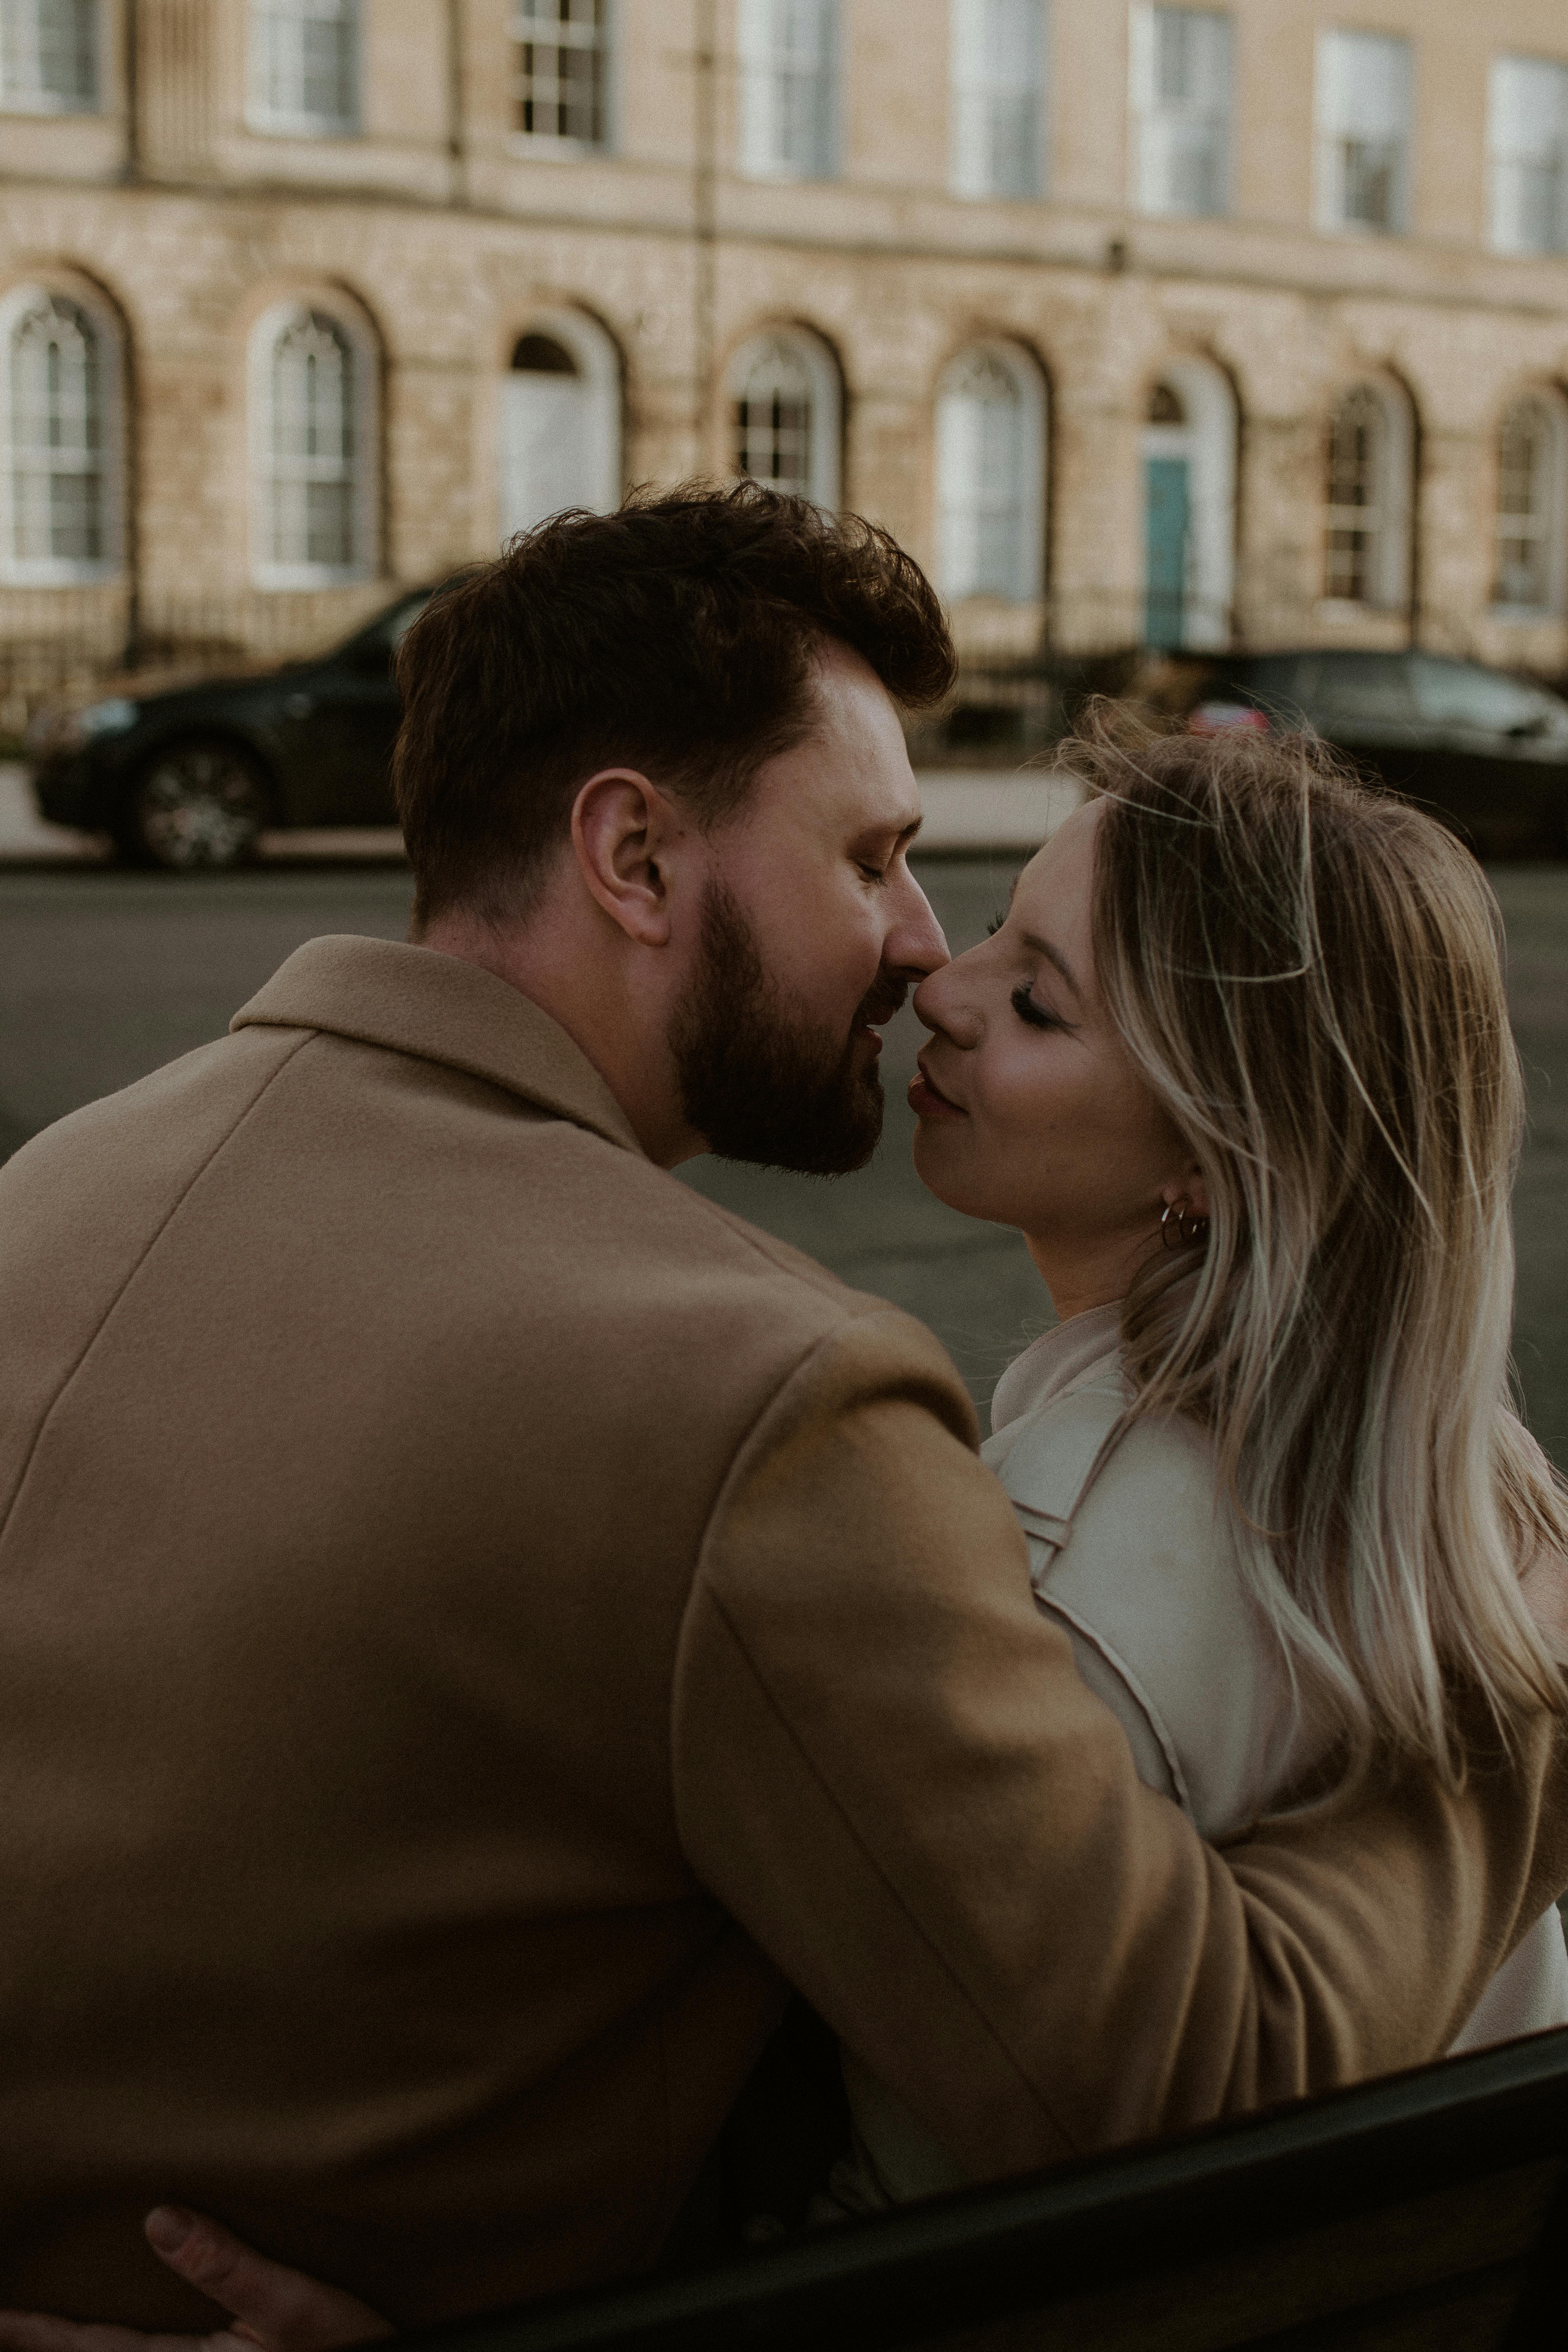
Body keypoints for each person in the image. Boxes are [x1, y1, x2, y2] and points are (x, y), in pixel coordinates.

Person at [0, 489, 1563, 2341]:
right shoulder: (758, 1397)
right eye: (874, 857)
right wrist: (1509, 1713)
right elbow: (1170, 2097)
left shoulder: (54, 1183)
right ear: (636, 858)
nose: (921, 949)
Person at [837, 723, 1568, 2206]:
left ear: (1211, 1159)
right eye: (993, 928)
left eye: (1038, 1005)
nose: (942, 988)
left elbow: (930, 2167)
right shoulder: (1451, 1464)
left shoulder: (1048, 1583)